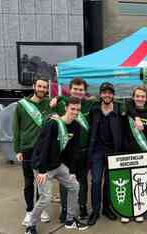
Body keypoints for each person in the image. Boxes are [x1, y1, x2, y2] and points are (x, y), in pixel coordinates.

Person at [24, 97, 88, 234]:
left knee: (75, 186)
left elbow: (73, 150)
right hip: (43, 166)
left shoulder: (76, 126)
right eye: (72, 109)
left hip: (58, 165)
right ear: (66, 108)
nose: (75, 112)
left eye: (78, 110)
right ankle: (31, 225)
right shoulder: (53, 124)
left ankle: (70, 220)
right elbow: (43, 147)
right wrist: (41, 170)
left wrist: (72, 170)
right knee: (45, 198)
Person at [50, 77, 96, 222]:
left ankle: (82, 207)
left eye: (81, 90)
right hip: (67, 152)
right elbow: (48, 114)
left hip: (83, 151)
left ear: (85, 91)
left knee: (82, 181)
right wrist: (57, 98)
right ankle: (65, 210)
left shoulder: (89, 104)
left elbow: (110, 101)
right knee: (65, 182)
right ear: (70, 90)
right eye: (75, 89)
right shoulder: (61, 103)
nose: (77, 92)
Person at [13, 77, 51, 226]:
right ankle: (29, 211)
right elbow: (16, 128)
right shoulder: (22, 105)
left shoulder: (49, 103)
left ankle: (39, 209)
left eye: (45, 87)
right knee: (29, 182)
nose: (42, 89)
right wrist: (17, 149)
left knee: (42, 182)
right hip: (28, 148)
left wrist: (58, 99)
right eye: (40, 86)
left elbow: (64, 106)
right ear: (34, 86)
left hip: (42, 149)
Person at [87, 82, 125, 226]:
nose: (107, 95)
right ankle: (95, 210)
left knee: (109, 182)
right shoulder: (95, 109)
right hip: (97, 150)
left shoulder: (120, 109)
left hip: (113, 151)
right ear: (101, 94)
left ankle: (107, 208)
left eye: (110, 92)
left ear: (113, 95)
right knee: (96, 181)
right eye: (104, 92)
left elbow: (131, 115)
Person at [121, 86, 147, 223]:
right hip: (126, 150)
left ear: (146, 98)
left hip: (142, 150)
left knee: (140, 182)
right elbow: (126, 105)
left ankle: (139, 210)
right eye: (137, 96)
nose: (140, 99)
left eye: (142, 96)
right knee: (127, 180)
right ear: (133, 97)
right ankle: (127, 210)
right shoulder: (128, 109)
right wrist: (135, 117)